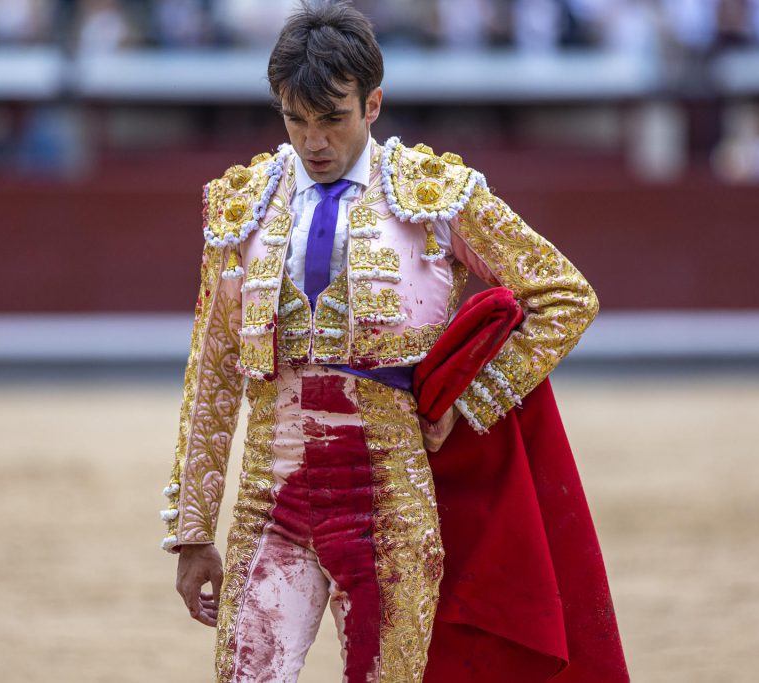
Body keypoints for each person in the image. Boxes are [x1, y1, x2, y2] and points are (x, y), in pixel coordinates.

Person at [159, 3, 604, 681]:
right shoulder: (243, 204)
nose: (313, 141)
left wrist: (473, 397)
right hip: (268, 498)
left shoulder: (435, 196)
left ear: (373, 105)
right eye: (295, 118)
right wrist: (194, 530)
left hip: (389, 502)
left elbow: (565, 296)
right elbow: (215, 368)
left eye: (332, 117)